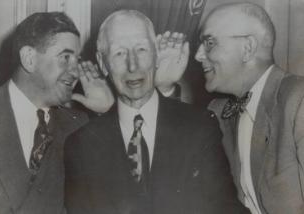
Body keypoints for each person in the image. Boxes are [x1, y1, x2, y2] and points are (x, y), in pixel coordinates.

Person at [65, 9, 248, 214]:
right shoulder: (81, 146)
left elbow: (226, 208)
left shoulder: (200, 127)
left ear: (156, 54)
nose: (132, 65)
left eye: (141, 49)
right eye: (119, 53)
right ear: (102, 62)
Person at [0, 12, 114, 214]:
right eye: (65, 57)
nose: (75, 71)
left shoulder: (80, 126)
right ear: (29, 59)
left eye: (77, 59)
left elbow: (112, 196)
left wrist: (108, 113)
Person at [195, 2, 304, 214]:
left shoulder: (299, 101)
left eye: (209, 42)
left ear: (247, 48)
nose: (198, 55)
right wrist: (165, 86)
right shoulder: (217, 112)